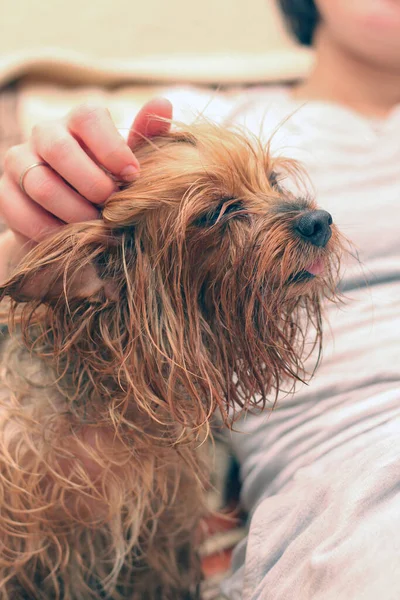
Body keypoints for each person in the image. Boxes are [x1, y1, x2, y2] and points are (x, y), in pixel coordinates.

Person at [0, 0, 399, 598]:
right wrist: (30, 234)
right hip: (355, 468)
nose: (310, 218)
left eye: (276, 184)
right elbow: (60, 267)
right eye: (220, 211)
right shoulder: (188, 119)